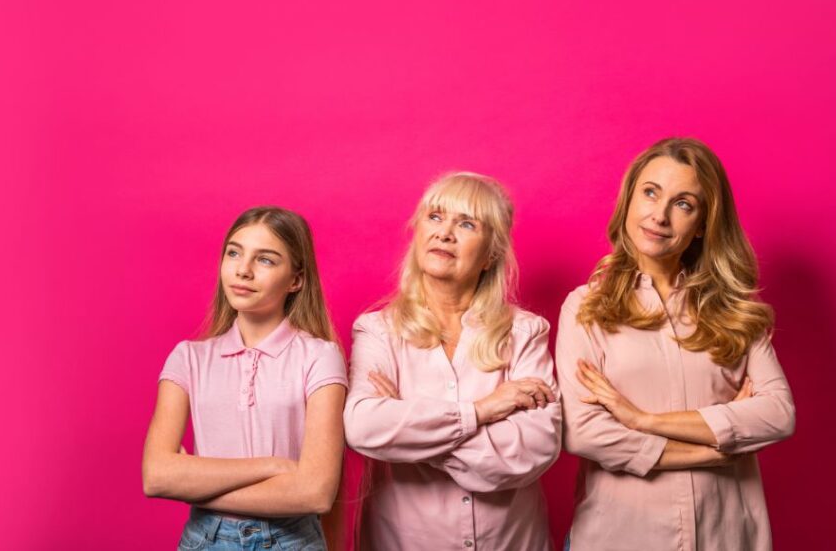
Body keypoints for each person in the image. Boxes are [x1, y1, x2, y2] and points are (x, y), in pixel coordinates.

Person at [556, 137, 795, 551]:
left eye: (683, 204)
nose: (660, 216)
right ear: (629, 199)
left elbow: (778, 414)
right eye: (650, 193)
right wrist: (713, 448)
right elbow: (584, 432)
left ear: (703, 223)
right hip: (621, 536)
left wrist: (641, 420)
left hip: (727, 535)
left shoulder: (736, 311)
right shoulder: (585, 307)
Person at [344, 172, 561, 550]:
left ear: (491, 253)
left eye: (466, 223)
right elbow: (364, 426)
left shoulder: (526, 332)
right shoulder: (377, 330)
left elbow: (535, 449)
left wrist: (408, 427)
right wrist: (480, 412)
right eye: (435, 217)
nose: (445, 233)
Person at [142, 206, 347, 550]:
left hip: (290, 540)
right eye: (234, 253)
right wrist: (274, 466)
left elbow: (316, 492)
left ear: (296, 279)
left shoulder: (319, 356)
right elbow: (157, 477)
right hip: (205, 540)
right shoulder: (189, 357)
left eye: (265, 260)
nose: (243, 270)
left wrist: (193, 480)